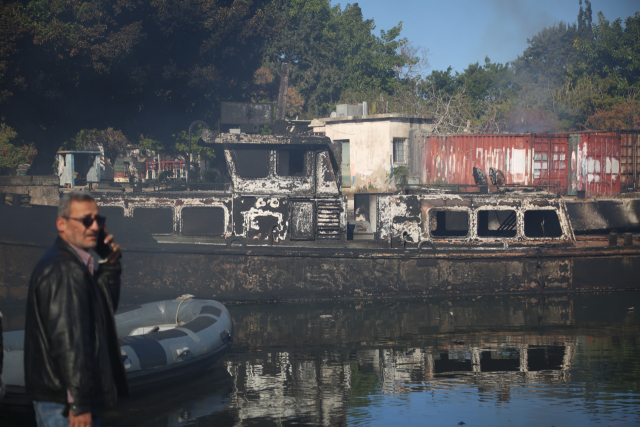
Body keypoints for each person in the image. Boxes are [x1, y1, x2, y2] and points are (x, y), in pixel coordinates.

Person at [24, 191, 129, 427]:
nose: (94, 227)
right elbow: (69, 340)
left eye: (98, 220)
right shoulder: (66, 270)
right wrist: (79, 402)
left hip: (60, 397)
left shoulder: (68, 263)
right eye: (85, 220)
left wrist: (110, 264)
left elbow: (101, 315)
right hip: (66, 402)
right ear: (62, 224)